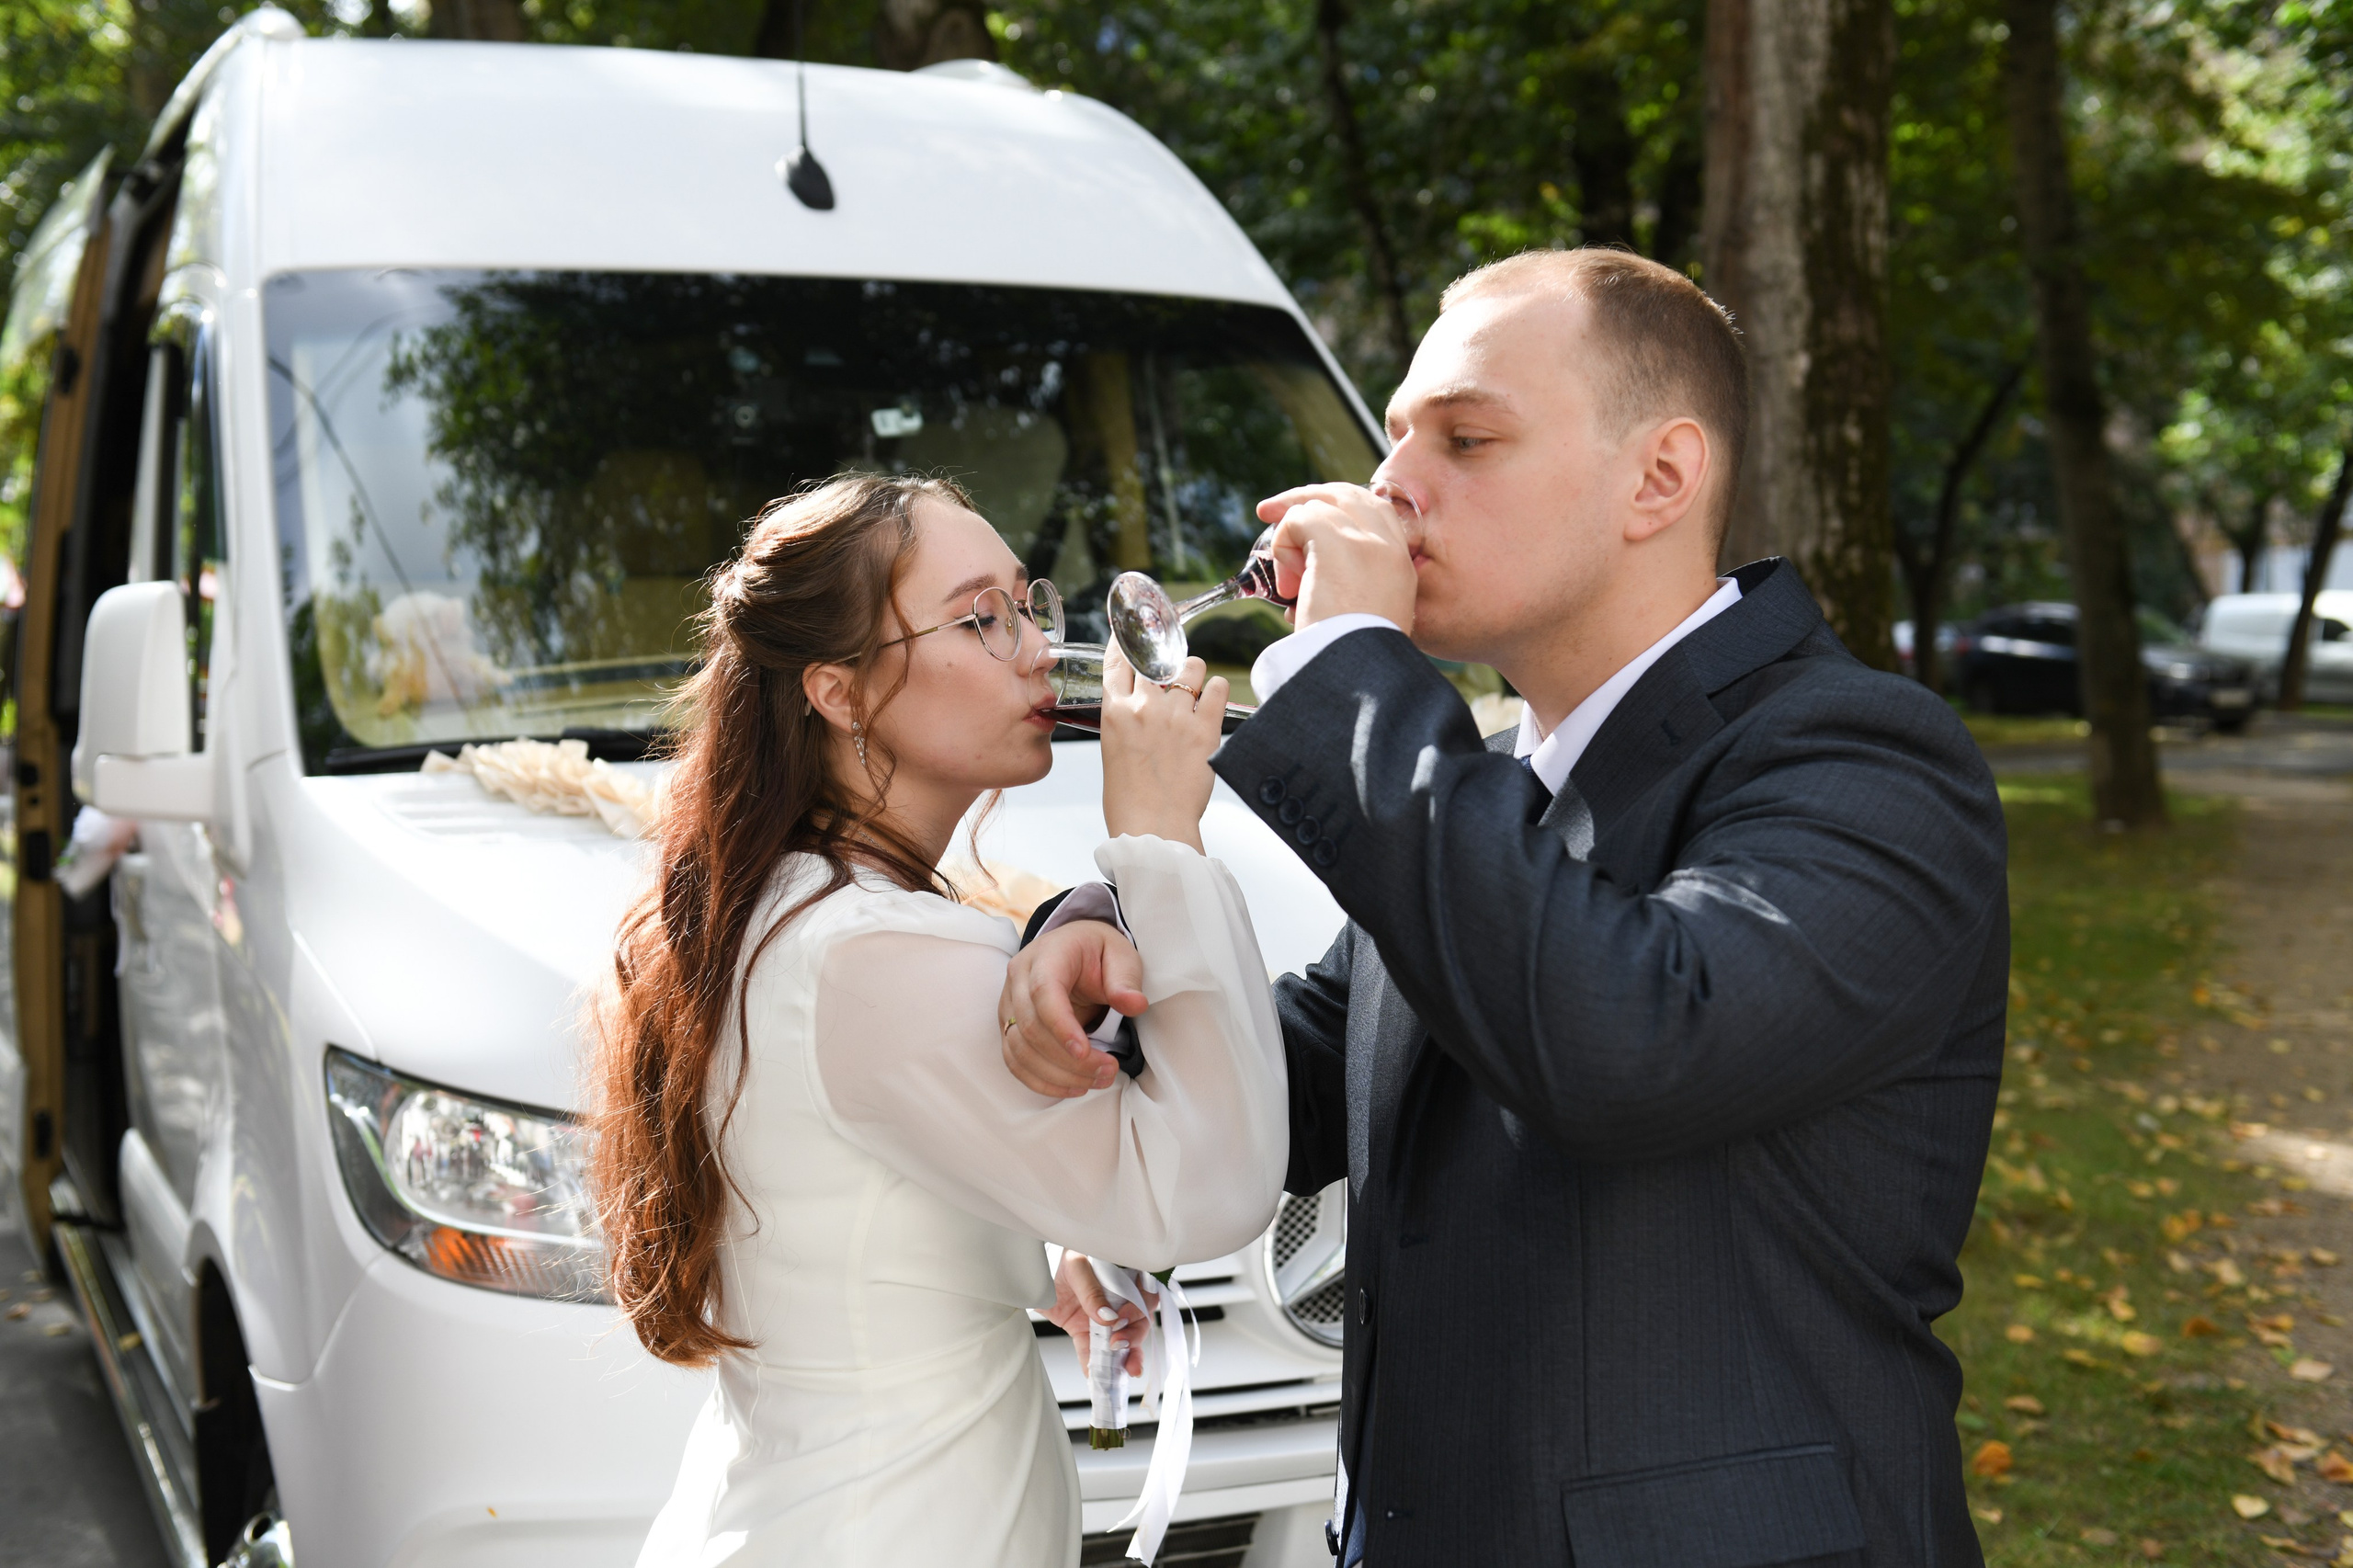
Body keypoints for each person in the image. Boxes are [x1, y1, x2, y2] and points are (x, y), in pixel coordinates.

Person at [1001, 249, 2009, 1567]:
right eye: (1395, 440)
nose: (1392, 488)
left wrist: (1354, 671)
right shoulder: (1491, 791)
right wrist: (1101, 937)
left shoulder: (1867, 758)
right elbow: (1288, 1073)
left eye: (1468, 438)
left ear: (1661, 476)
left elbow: (1628, 1043)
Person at [589, 472, 1289, 1567]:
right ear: (840, 690)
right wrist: (1156, 837)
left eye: (1027, 605)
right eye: (978, 618)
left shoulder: (779, 906)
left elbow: (851, 1193)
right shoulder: (871, 950)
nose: (1027, 648)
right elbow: (1207, 1190)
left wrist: (1033, 1238)